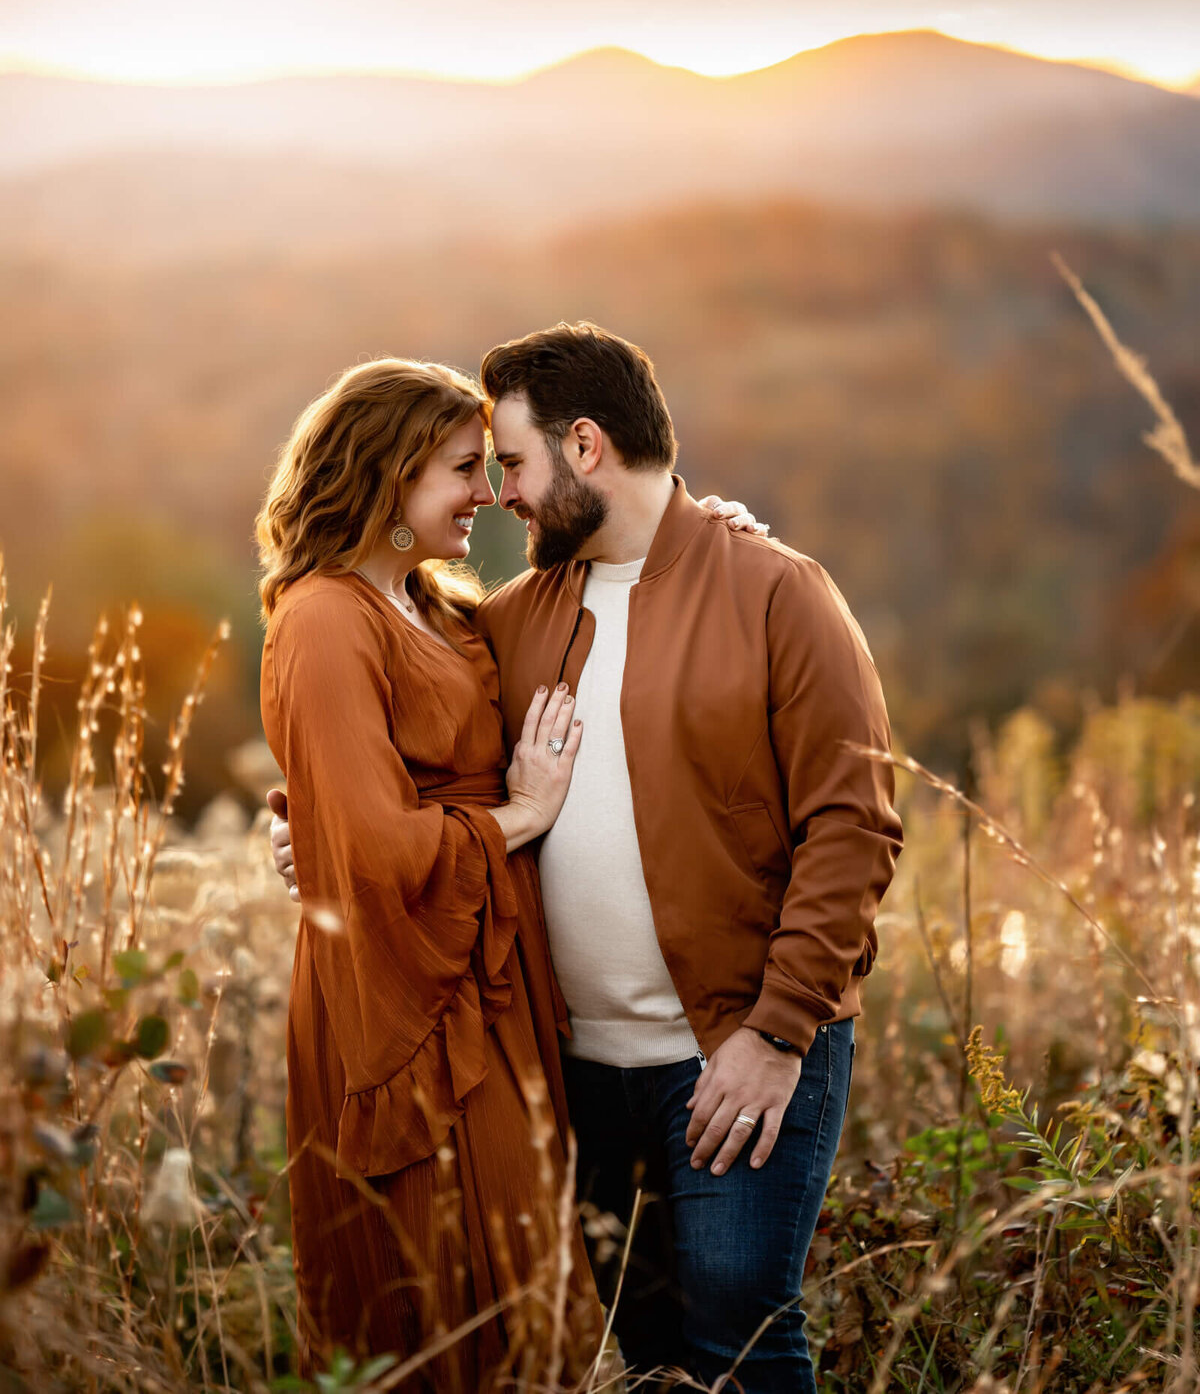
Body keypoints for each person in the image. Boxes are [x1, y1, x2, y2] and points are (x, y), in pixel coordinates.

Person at [274, 323, 902, 1392]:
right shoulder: (512, 620)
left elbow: (854, 827)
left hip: (732, 1050)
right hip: (573, 1071)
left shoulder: (778, 593)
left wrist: (777, 1031)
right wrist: (310, 829)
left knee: (739, 1333)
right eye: (481, 471)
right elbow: (402, 743)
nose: (500, 495)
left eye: (509, 464)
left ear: (585, 449)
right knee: (651, 1352)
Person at [256, 357, 603, 1390]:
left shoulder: (442, 606)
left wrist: (710, 530)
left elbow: (603, 587)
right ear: (391, 473)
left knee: (525, 1253)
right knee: (447, 1265)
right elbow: (371, 846)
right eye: (462, 468)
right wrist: (520, 816)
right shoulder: (323, 620)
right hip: (402, 992)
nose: (488, 495)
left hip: (485, 962)